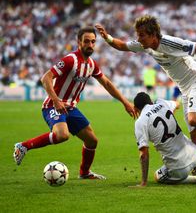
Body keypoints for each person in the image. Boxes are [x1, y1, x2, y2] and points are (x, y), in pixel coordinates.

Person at [95, 15, 196, 181]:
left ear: (153, 35)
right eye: (138, 34)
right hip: (185, 90)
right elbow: (121, 45)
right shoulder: (145, 46)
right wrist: (106, 37)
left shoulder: (169, 42)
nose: (138, 38)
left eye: (142, 34)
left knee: (195, 120)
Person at [13, 26, 137, 180]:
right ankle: (23, 146)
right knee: (62, 135)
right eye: (87, 41)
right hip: (53, 105)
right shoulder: (70, 60)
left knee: (92, 141)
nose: (90, 45)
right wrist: (56, 100)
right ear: (79, 42)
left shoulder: (91, 64)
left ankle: (84, 173)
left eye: (93, 42)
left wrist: (125, 102)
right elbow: (46, 78)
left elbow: (106, 83)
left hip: (71, 108)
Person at [133, 92, 196, 186]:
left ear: (135, 109)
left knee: (158, 176)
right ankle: (194, 166)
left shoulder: (141, 122)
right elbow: (177, 104)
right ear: (151, 101)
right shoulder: (162, 103)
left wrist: (143, 182)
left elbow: (143, 155)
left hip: (179, 168)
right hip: (195, 154)